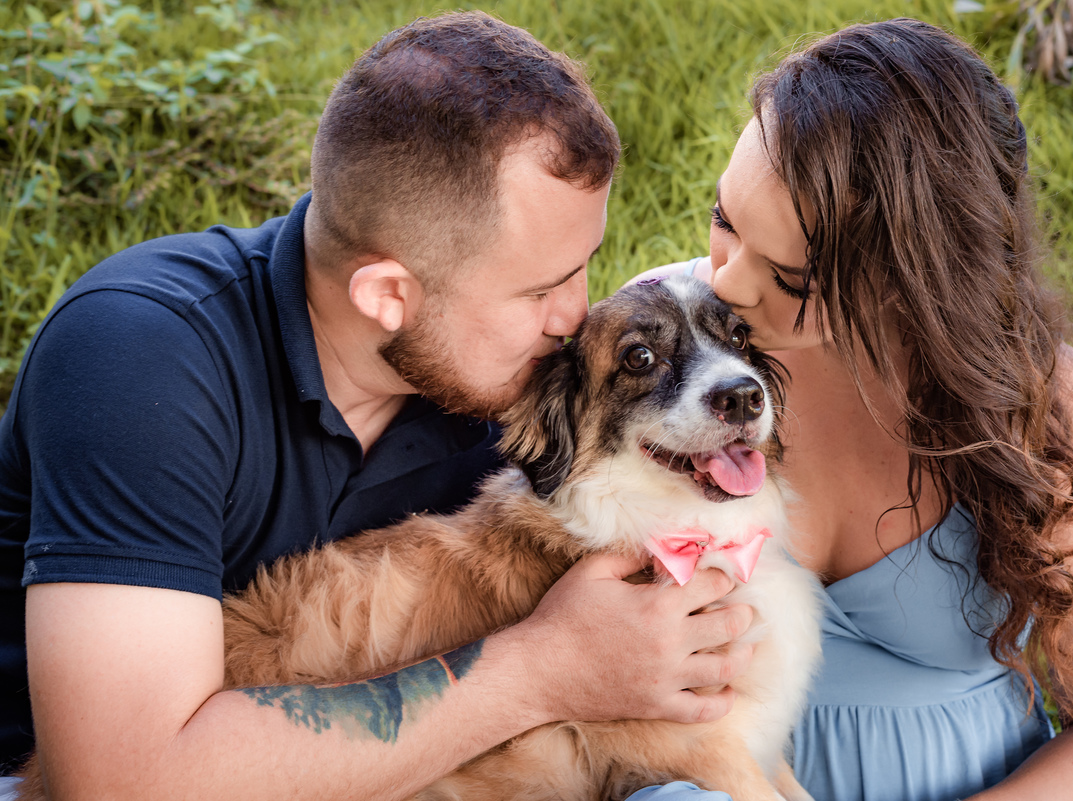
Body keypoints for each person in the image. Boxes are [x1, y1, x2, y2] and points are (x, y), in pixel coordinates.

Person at [0, 13, 757, 800]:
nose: (574, 315)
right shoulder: (143, 356)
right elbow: (121, 782)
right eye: (539, 289)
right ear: (387, 294)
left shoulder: (497, 376)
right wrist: (543, 669)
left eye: (582, 267)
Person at [630, 17, 1073, 801]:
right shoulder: (662, 350)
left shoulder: (1038, 407)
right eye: (725, 221)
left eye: (792, 278)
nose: (728, 285)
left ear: (918, 282)